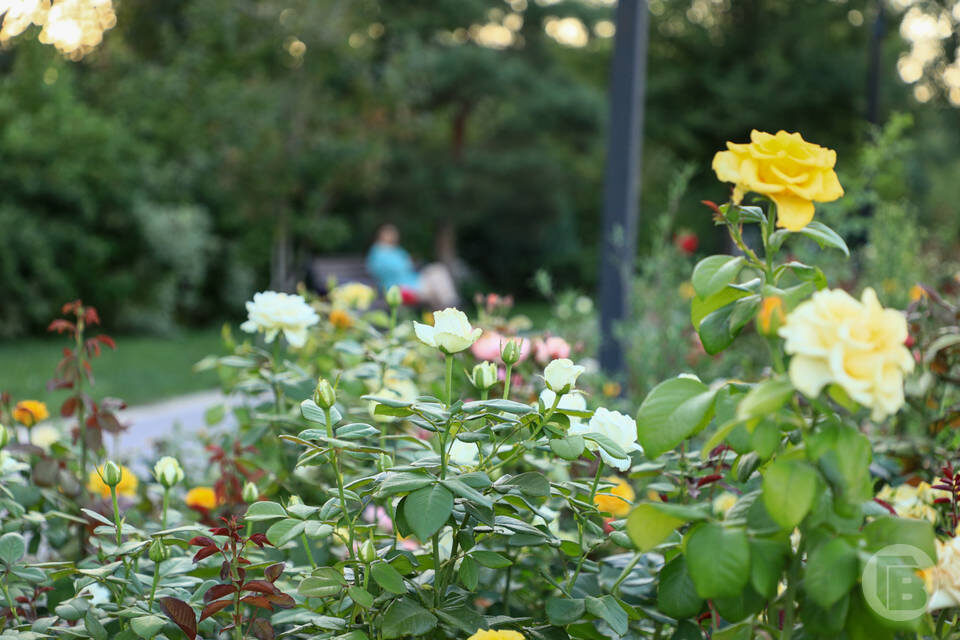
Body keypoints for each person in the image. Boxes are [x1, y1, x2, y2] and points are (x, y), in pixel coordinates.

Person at [366, 224, 459, 309]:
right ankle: (451, 306)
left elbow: (407, 264)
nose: (393, 236)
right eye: (389, 233)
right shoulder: (378, 251)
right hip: (400, 288)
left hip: (413, 283)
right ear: (381, 235)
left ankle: (448, 306)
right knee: (437, 278)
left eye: (394, 233)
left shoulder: (396, 250)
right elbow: (381, 270)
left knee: (437, 271)